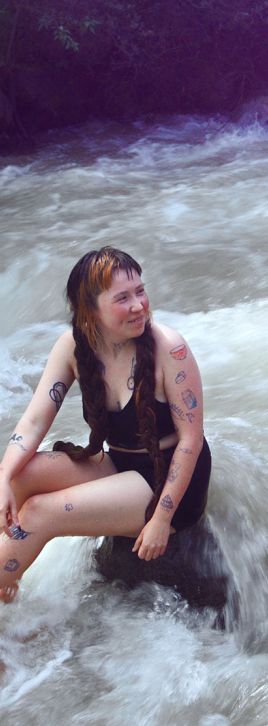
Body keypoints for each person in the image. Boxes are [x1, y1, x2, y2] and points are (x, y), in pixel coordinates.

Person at [0, 247, 211, 603]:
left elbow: (191, 440)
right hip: (117, 462)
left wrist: (161, 518)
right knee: (21, 475)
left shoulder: (169, 348)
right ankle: (8, 589)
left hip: (167, 480)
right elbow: (35, 419)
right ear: (89, 310)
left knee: (40, 512)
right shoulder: (72, 346)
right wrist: (4, 477)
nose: (138, 306)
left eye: (140, 291)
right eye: (122, 298)